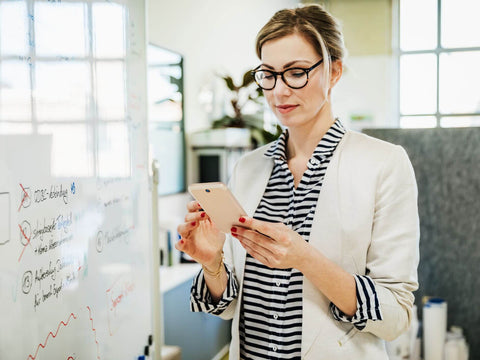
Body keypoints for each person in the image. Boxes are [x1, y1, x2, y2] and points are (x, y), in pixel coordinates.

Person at [176, 4, 419, 359]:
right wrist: (211, 262)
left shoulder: (383, 164)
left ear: (334, 71)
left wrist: (305, 258)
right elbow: (230, 306)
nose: (279, 91)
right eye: (269, 74)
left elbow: (396, 315)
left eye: (297, 72)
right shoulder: (249, 168)